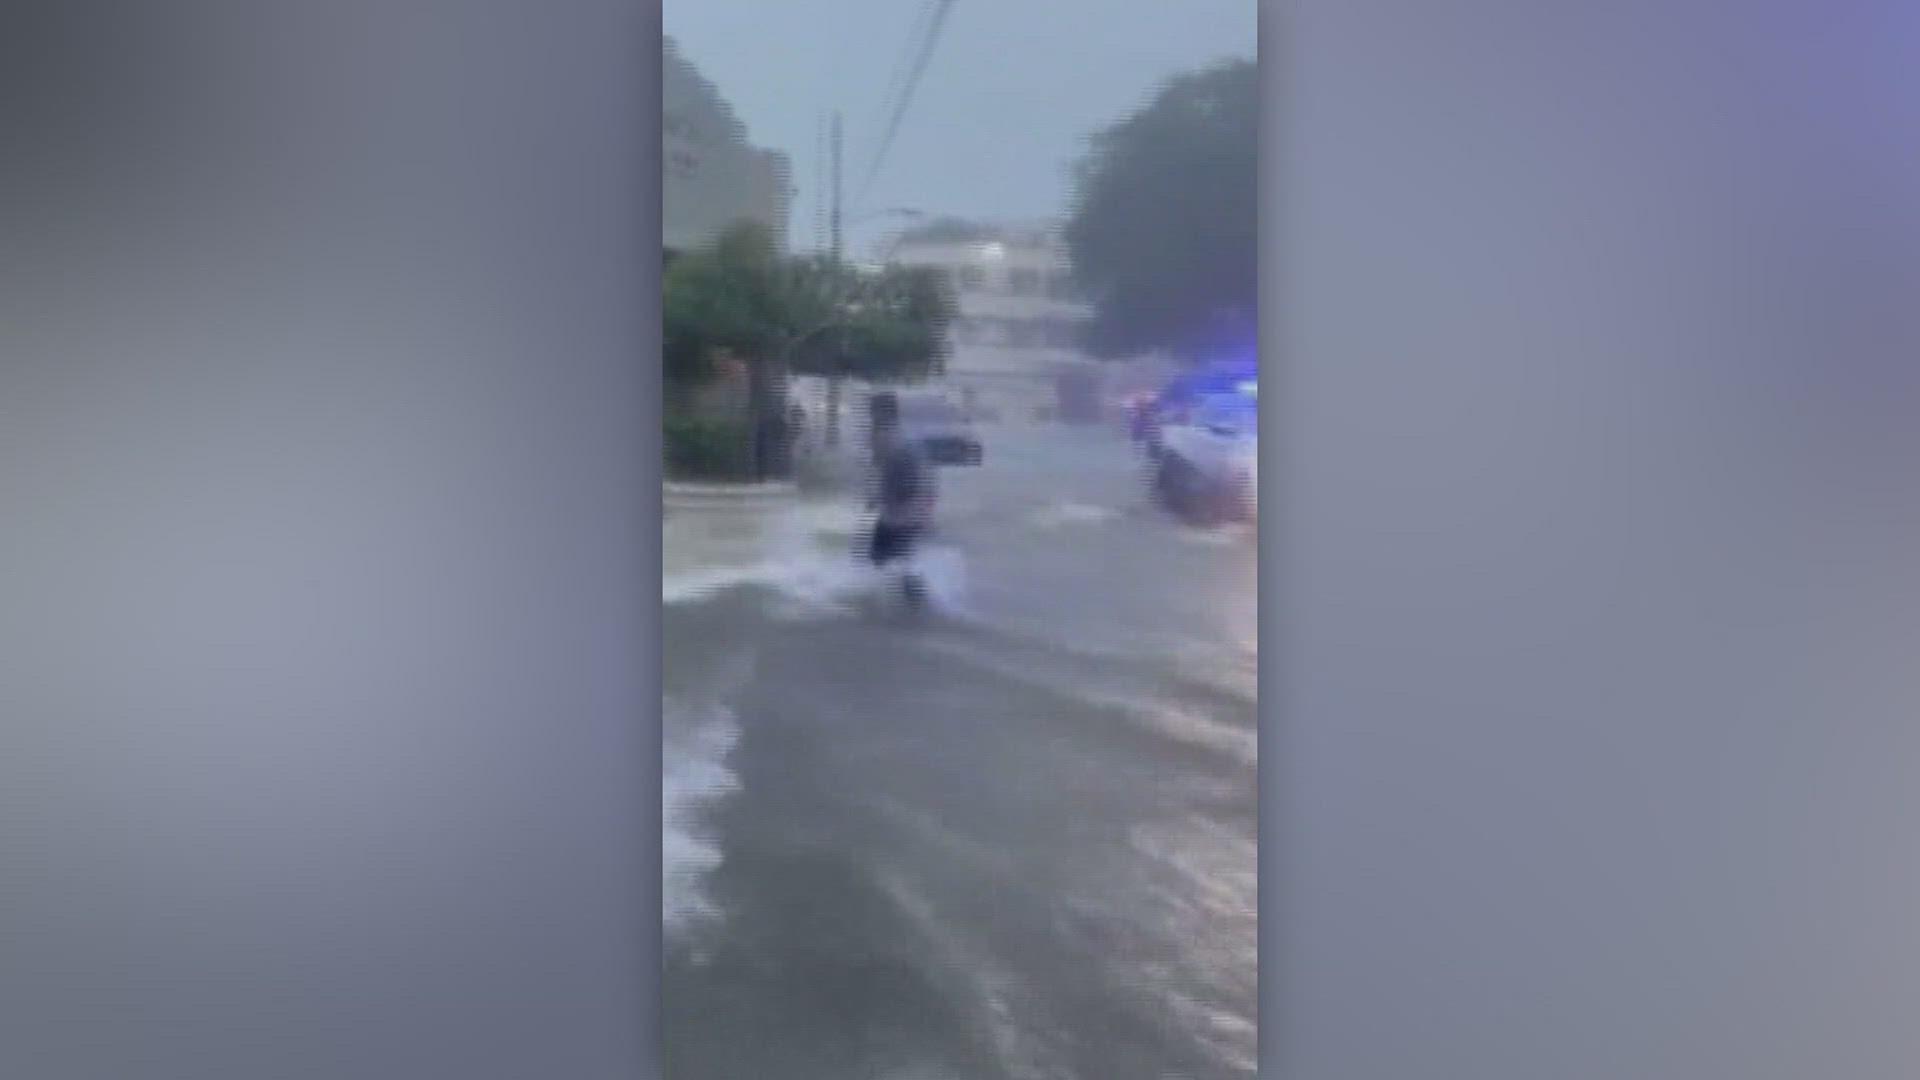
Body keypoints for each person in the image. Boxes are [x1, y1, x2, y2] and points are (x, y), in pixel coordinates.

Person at [864, 391, 936, 576]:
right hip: (911, 508)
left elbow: (895, 473)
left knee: (882, 564)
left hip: (901, 510)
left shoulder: (887, 435)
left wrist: (882, 498)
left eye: (872, 410)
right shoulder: (902, 433)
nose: (869, 414)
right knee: (901, 563)